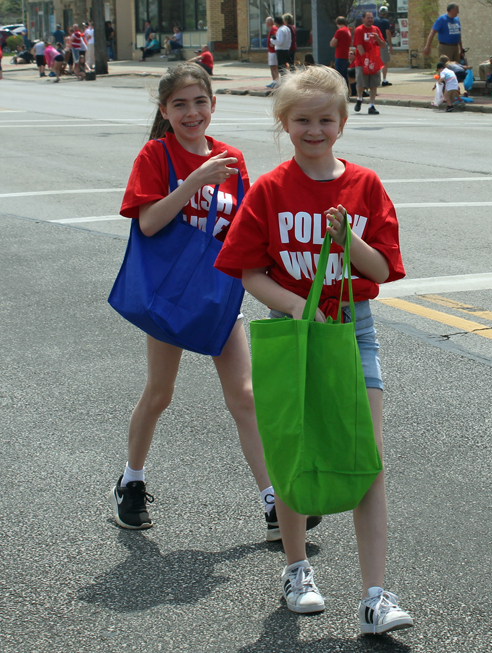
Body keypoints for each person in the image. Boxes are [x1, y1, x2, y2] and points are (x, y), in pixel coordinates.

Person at [214, 64, 414, 635]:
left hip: (355, 329)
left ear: (342, 123)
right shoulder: (272, 189)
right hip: (293, 328)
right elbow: (247, 270)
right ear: (284, 122)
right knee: (295, 452)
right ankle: (298, 570)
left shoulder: (365, 186)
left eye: (326, 119)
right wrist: (299, 304)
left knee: (365, 458)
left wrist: (347, 238)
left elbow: (383, 269)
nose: (314, 129)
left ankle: (375, 595)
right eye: (301, 119)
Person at [109, 63, 312, 541]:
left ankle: (272, 502)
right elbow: (149, 224)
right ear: (164, 110)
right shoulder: (156, 155)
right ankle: (131, 482)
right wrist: (194, 181)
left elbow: (244, 229)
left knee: (244, 395)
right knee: (160, 395)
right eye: (179, 104)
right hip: (170, 293)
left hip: (218, 289)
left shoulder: (232, 158)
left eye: (199, 102)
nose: (191, 112)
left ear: (213, 105)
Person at [353, 11, 385, 114]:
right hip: (361, 61)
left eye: (371, 18)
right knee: (361, 83)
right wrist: (365, 59)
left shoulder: (376, 29)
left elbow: (383, 45)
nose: (370, 19)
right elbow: (359, 46)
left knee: (374, 84)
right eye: (368, 18)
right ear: (363, 19)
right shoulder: (359, 30)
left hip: (374, 61)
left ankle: (371, 106)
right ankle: (359, 98)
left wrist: (377, 38)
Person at [330, 16, 352, 89]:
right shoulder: (347, 30)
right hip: (345, 56)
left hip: (340, 57)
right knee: (344, 77)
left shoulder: (340, 31)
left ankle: (341, 93)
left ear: (337, 23)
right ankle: (346, 93)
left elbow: (332, 44)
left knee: (339, 77)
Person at [374, 6, 392, 87]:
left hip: (374, 44)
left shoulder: (374, 21)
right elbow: (387, 33)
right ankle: (384, 80)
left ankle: (376, 80)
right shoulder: (386, 21)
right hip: (382, 43)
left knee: (376, 62)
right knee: (384, 62)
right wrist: (391, 45)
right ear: (386, 13)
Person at [265, 16, 279, 89]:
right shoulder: (273, 28)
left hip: (273, 51)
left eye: (266, 22)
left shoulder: (273, 29)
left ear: (268, 23)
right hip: (272, 51)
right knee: (273, 66)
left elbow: (275, 36)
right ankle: (275, 81)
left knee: (273, 66)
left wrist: (273, 43)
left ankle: (275, 81)